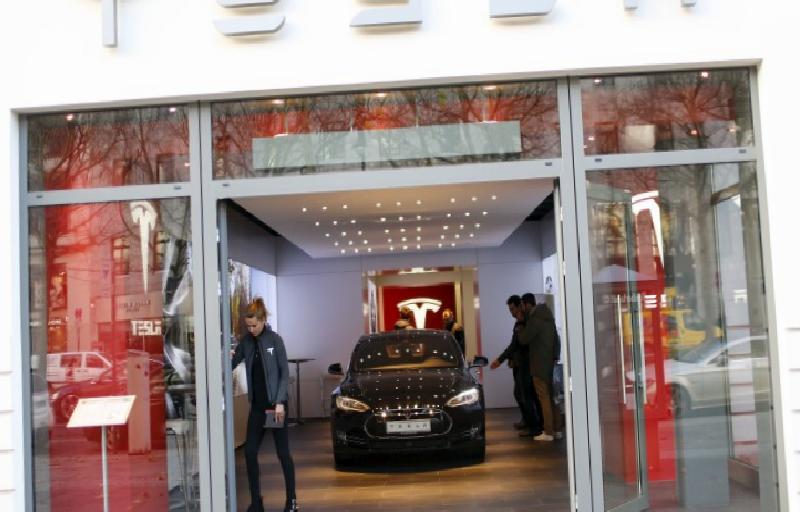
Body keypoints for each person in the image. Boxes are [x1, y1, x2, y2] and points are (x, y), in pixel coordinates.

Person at [231, 298, 298, 512]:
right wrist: (224, 356)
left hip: (274, 408)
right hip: (258, 409)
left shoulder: (275, 340)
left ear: (262, 320)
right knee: (250, 452)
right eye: (248, 326)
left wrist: (279, 403)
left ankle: (292, 501)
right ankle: (256, 502)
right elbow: (232, 362)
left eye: (254, 325)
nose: (251, 329)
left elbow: (284, 373)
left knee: (282, 453)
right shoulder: (246, 342)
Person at [489, 295, 542, 436]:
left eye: (513, 309)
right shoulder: (520, 322)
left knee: (526, 396)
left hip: (526, 363)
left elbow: (518, 344)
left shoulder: (524, 322)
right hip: (519, 363)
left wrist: (500, 359)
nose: (511, 312)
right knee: (521, 394)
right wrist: (509, 358)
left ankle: (534, 426)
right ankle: (529, 422)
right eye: (510, 310)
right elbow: (515, 344)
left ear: (521, 306)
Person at [518, 292, 562, 442]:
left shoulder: (535, 319)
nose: (522, 309)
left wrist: (521, 326)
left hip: (538, 364)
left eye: (522, 305)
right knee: (552, 397)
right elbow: (556, 340)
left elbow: (524, 339)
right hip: (550, 363)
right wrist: (554, 357)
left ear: (527, 304)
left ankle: (548, 431)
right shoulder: (548, 317)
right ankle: (557, 429)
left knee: (544, 398)